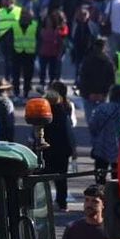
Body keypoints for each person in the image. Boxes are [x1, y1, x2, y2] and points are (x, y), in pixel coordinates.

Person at [42, 82, 75, 210]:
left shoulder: (43, 111)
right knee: (61, 178)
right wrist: (72, 147)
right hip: (62, 148)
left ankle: (42, 202)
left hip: (46, 148)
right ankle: (62, 202)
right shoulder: (65, 109)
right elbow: (69, 129)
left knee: (43, 176)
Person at [88, 85, 120, 176]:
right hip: (119, 150)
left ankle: (100, 188)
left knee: (100, 176)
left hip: (101, 147)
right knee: (117, 178)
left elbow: (92, 125)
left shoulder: (101, 108)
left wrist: (95, 138)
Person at [76, 38, 116, 123]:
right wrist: (104, 94)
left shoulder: (87, 60)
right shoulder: (108, 62)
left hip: (89, 94)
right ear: (104, 48)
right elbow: (111, 80)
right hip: (102, 94)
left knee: (90, 118)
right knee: (101, 118)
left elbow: (83, 78)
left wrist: (87, 93)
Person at [9, 6, 39, 97]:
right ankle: (16, 92)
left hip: (30, 53)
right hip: (17, 52)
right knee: (16, 74)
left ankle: (26, 92)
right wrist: (11, 51)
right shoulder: (14, 25)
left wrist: (37, 51)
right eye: (23, 14)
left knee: (28, 75)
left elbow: (39, 39)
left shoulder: (35, 25)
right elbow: (10, 40)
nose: (25, 16)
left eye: (27, 14)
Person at [36, 8, 68, 85]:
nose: (49, 23)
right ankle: (42, 83)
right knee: (42, 70)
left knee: (53, 70)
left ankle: (53, 82)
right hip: (43, 53)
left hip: (53, 53)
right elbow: (39, 42)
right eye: (47, 21)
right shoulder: (41, 30)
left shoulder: (59, 30)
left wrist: (60, 52)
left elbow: (62, 41)